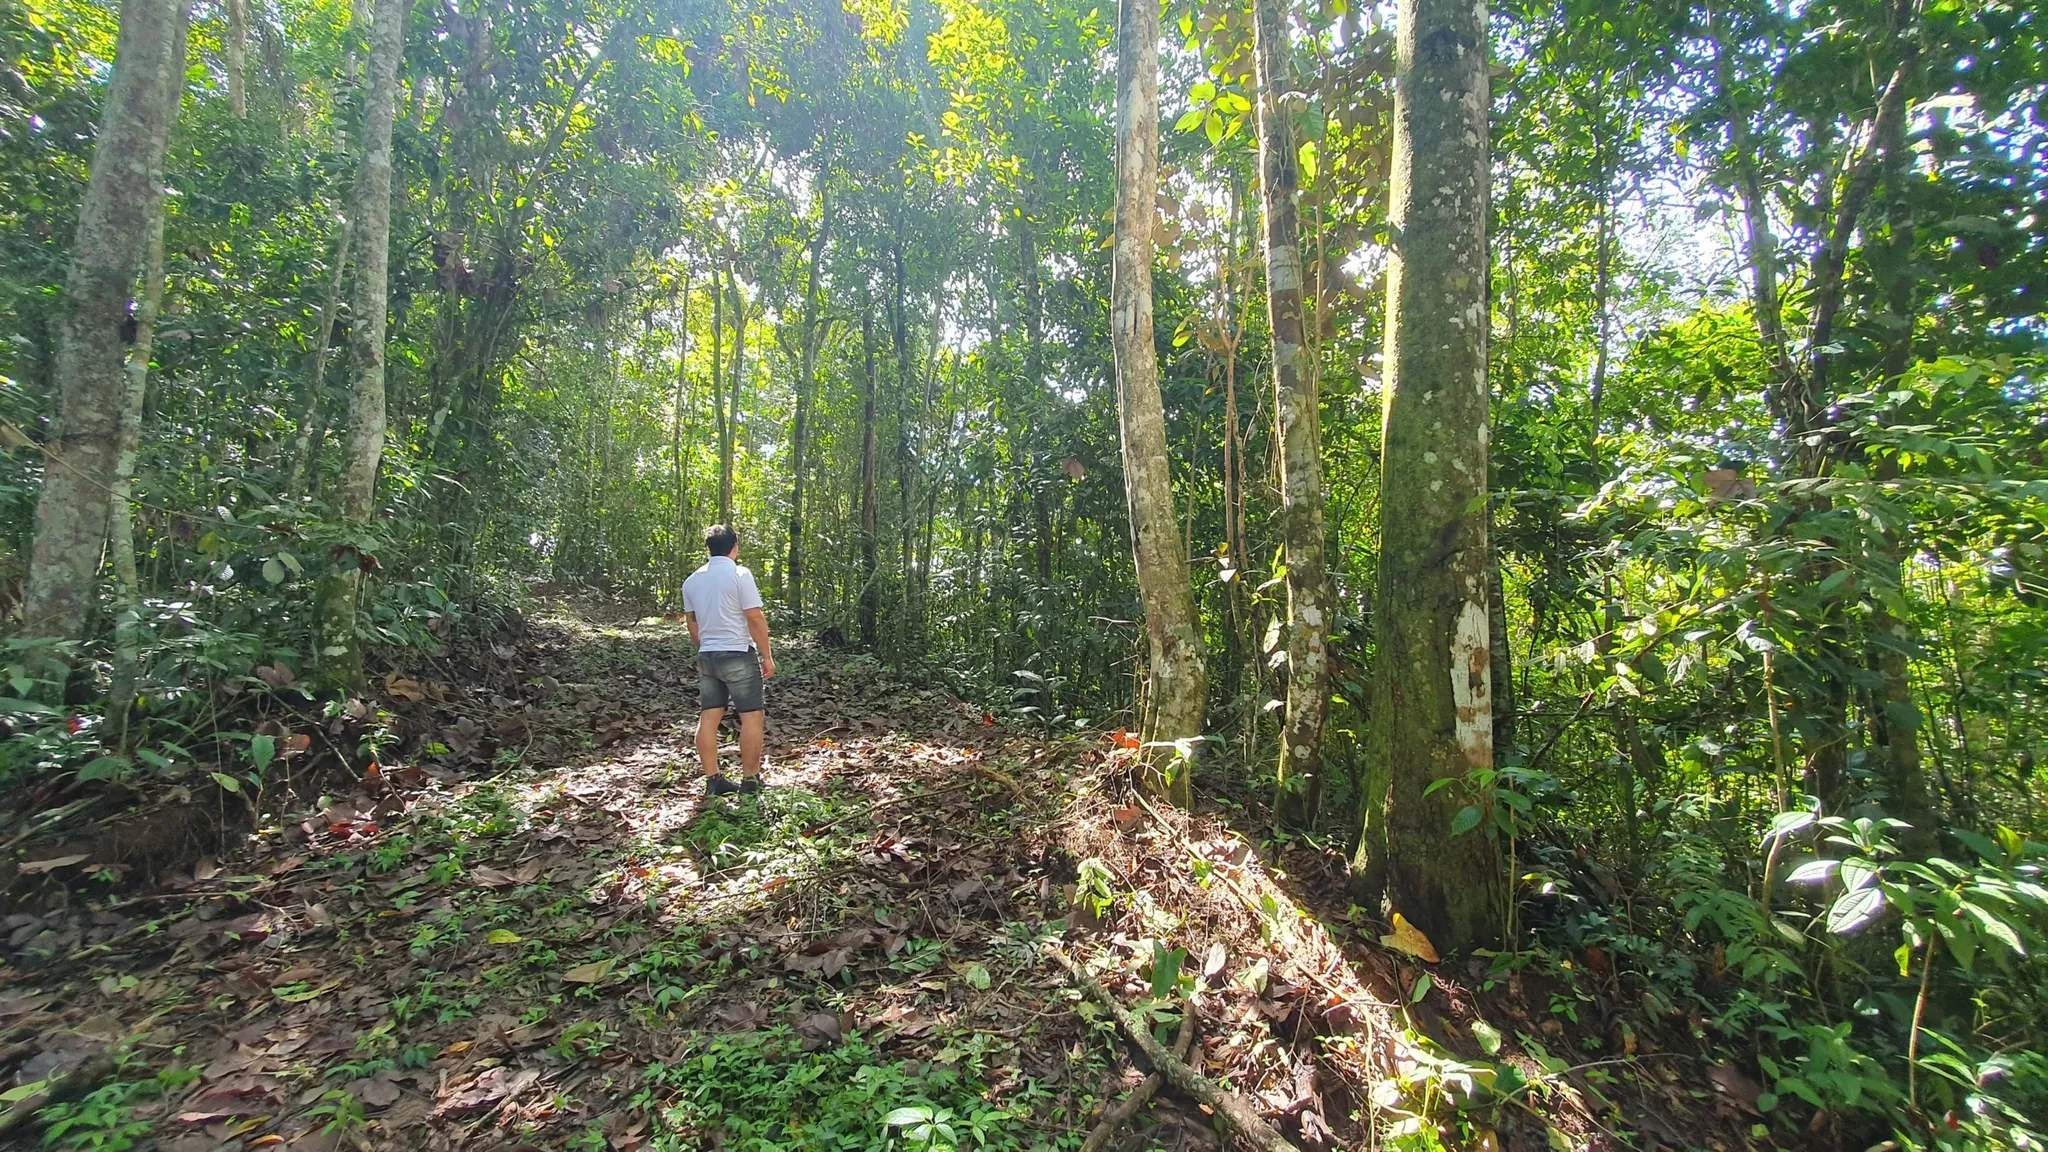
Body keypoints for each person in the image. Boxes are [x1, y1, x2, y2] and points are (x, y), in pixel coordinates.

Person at [681, 524, 776, 796]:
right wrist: (767, 655)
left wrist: (706, 647)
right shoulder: (740, 574)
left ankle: (713, 780)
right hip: (737, 652)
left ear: (708, 548)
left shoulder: (691, 581)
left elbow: (693, 624)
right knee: (751, 716)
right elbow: (755, 617)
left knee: (709, 717)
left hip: (707, 655)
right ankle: (749, 780)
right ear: (735, 547)